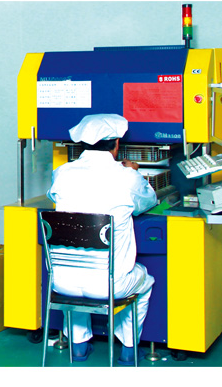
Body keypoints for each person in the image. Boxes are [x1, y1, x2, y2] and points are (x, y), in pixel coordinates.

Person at [46, 114, 158, 365]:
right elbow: (148, 202)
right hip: (110, 286)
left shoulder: (62, 173)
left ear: (83, 143)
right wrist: (134, 172)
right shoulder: (126, 177)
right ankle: (129, 350)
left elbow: (53, 195)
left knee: (78, 273)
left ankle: (78, 347)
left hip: (61, 283)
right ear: (116, 144)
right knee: (145, 280)